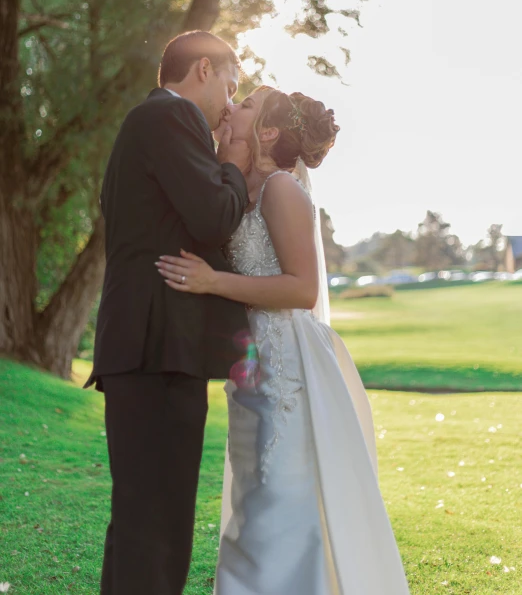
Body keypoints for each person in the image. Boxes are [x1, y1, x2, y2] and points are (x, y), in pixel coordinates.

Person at [156, 85, 412, 595]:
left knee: (277, 513)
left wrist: (212, 281)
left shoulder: (281, 189)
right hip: (253, 370)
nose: (233, 108)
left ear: (269, 131)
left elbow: (303, 288)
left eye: (246, 104)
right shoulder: (241, 189)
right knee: (254, 503)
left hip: (287, 372)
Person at [85, 30, 253, 595]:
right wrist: (231, 162)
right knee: (158, 520)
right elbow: (212, 217)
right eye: (231, 83)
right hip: (157, 345)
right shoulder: (169, 118)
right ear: (203, 69)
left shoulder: (153, 125)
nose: (232, 103)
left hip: (148, 345)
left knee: (144, 517)